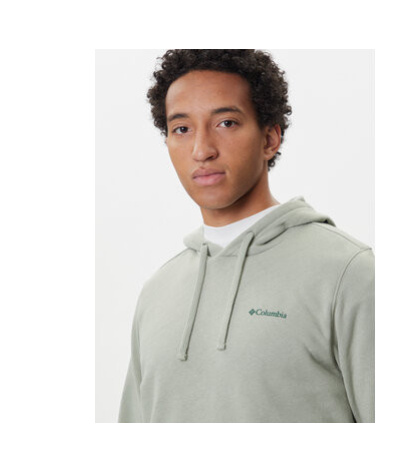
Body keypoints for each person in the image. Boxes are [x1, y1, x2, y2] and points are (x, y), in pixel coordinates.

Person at [118, 49, 374, 423]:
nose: (201, 150)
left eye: (226, 123)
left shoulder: (348, 273)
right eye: (182, 129)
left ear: (269, 139)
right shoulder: (157, 291)